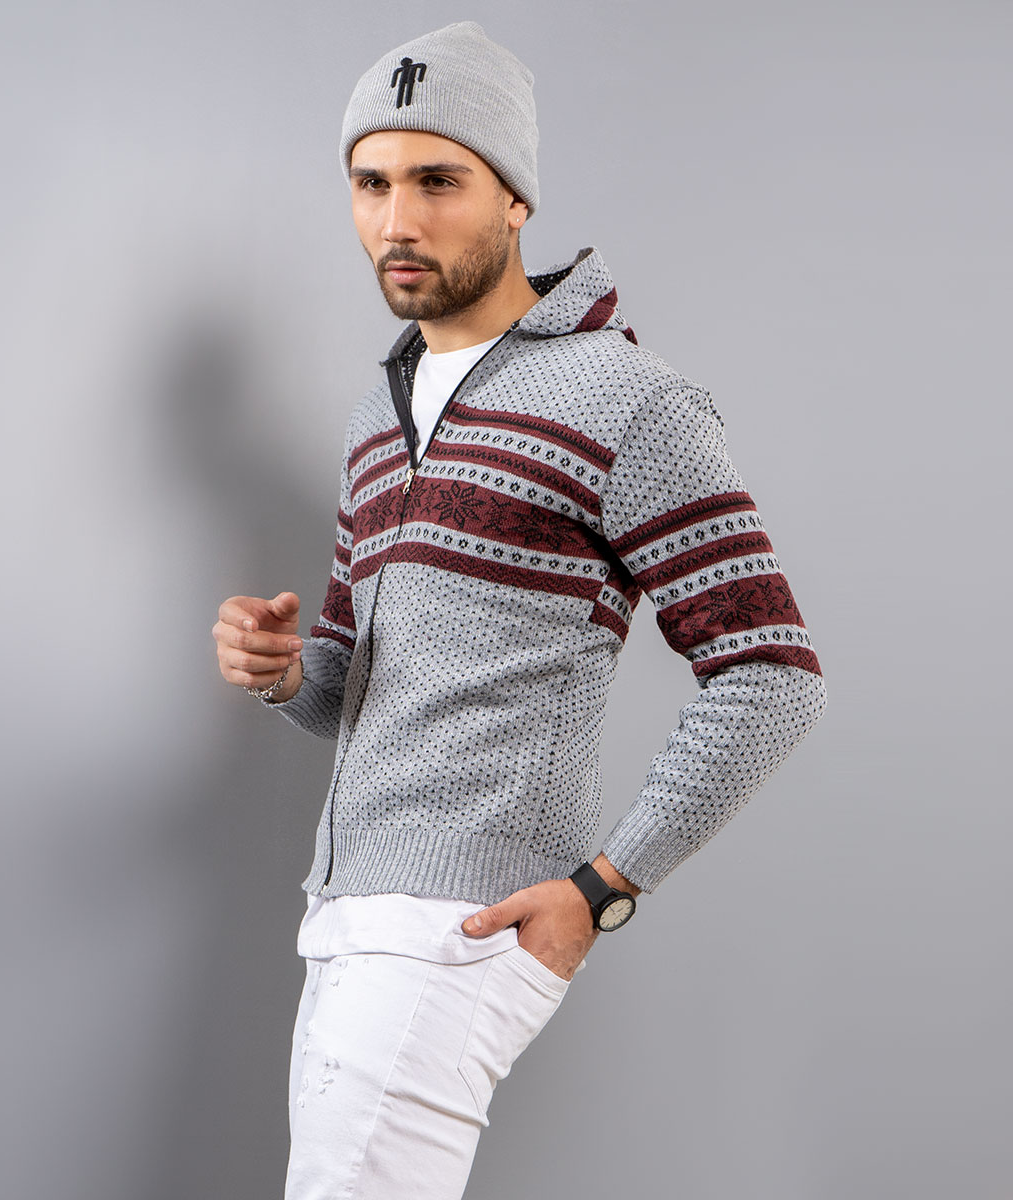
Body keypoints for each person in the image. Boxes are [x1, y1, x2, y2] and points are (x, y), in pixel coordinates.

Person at [212, 21, 826, 1198]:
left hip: (463, 920)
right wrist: (285, 671)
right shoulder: (378, 413)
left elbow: (772, 673)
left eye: (438, 180)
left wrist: (604, 889)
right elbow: (347, 689)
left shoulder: (627, 400)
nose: (398, 221)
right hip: (346, 912)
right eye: (371, 184)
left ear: (515, 197)